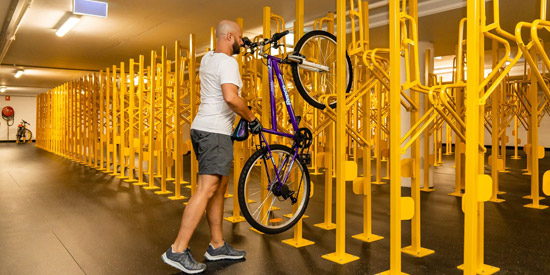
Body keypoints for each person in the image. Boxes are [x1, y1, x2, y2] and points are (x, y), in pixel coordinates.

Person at [161, 20, 262, 274]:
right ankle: (177, 249)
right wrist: (251, 118)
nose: (241, 42)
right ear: (229, 36)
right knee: (207, 188)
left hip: (205, 127)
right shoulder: (228, 62)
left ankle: (216, 246)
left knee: (218, 188)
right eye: (239, 38)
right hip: (214, 132)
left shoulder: (207, 59)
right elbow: (230, 97)